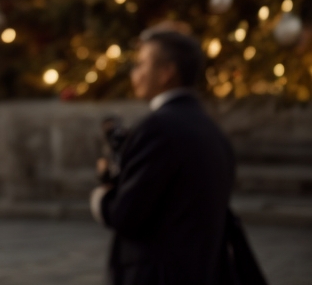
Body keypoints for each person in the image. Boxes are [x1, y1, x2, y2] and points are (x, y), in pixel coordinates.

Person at [92, 25, 259, 284]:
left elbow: (127, 215)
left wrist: (102, 197)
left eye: (141, 64)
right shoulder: (210, 128)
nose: (134, 73)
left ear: (167, 72)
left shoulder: (158, 128)